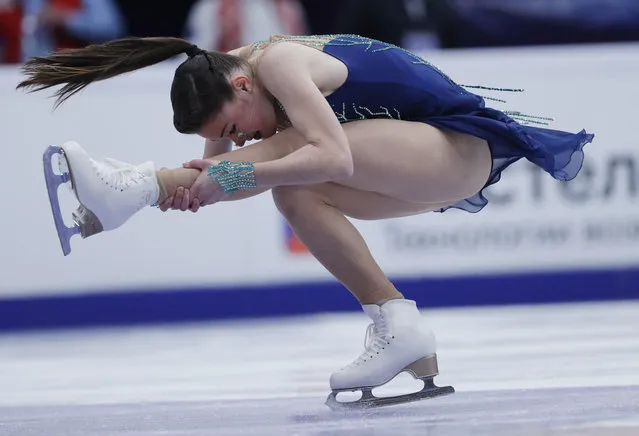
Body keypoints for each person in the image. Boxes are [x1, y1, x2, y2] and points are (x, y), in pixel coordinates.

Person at [16, 34, 594, 409]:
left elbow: (333, 158)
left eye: (231, 127)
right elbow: (229, 175)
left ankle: (134, 187)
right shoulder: (237, 79)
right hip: (413, 163)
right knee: (291, 193)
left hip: (460, 150)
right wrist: (191, 192)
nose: (237, 139)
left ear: (242, 84)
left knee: (298, 153)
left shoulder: (281, 64)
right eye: (226, 139)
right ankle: (399, 327)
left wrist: (214, 180)